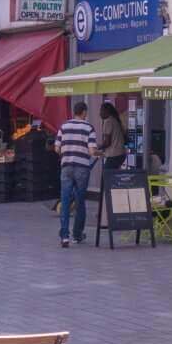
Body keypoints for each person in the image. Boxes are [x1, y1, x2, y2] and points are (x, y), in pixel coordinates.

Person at [54, 100, 97, 248]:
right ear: (84, 112)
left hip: (66, 167)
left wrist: (66, 152)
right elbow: (92, 151)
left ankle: (64, 237)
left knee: (65, 201)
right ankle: (77, 234)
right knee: (80, 201)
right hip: (82, 169)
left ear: (74, 112)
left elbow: (56, 148)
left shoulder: (64, 126)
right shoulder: (89, 128)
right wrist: (99, 153)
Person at [95, 101, 128, 174]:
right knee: (112, 175)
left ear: (107, 111)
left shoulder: (108, 121)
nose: (100, 113)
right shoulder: (115, 120)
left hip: (114, 154)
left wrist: (97, 147)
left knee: (106, 176)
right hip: (121, 154)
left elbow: (107, 142)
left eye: (101, 110)